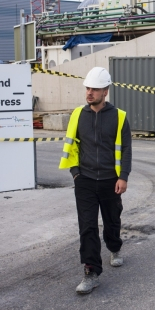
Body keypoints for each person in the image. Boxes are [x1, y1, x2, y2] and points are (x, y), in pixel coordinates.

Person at [59, 67, 132, 294]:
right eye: (88, 88)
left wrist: (123, 177)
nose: (89, 93)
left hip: (111, 180)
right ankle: (91, 272)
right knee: (88, 226)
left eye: (95, 89)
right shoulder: (78, 115)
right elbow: (70, 145)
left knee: (112, 220)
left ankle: (115, 247)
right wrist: (75, 173)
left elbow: (127, 149)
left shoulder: (119, 117)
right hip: (85, 180)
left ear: (106, 91)